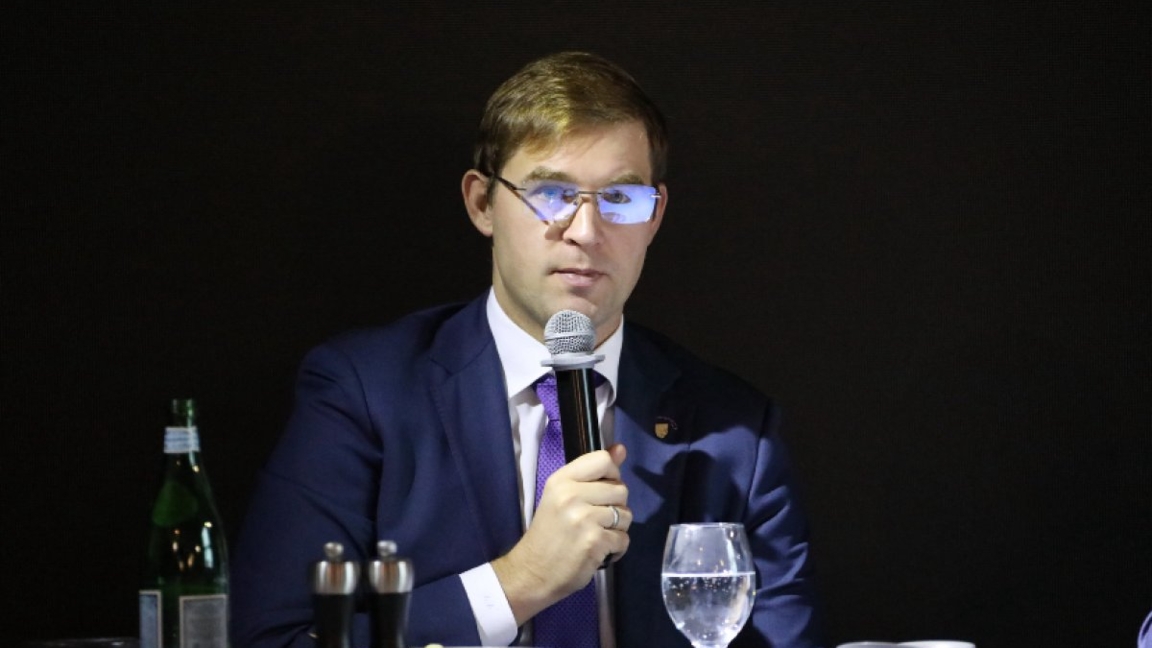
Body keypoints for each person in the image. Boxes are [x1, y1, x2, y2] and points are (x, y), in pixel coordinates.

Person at [231, 51, 821, 648]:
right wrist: (522, 580)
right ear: (482, 204)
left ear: (655, 217)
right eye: (551, 193)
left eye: (620, 199)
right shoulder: (365, 392)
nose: (586, 232)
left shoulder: (736, 430)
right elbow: (276, 639)